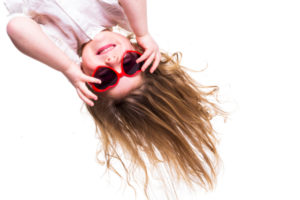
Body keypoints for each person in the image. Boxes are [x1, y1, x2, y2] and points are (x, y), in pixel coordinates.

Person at [4, 0, 228, 199]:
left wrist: (68, 67)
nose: (112, 60)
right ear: (140, 52)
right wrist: (142, 34)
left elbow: (16, 28)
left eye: (106, 77)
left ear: (89, 82)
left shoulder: (61, 48)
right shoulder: (115, 14)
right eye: (129, 64)